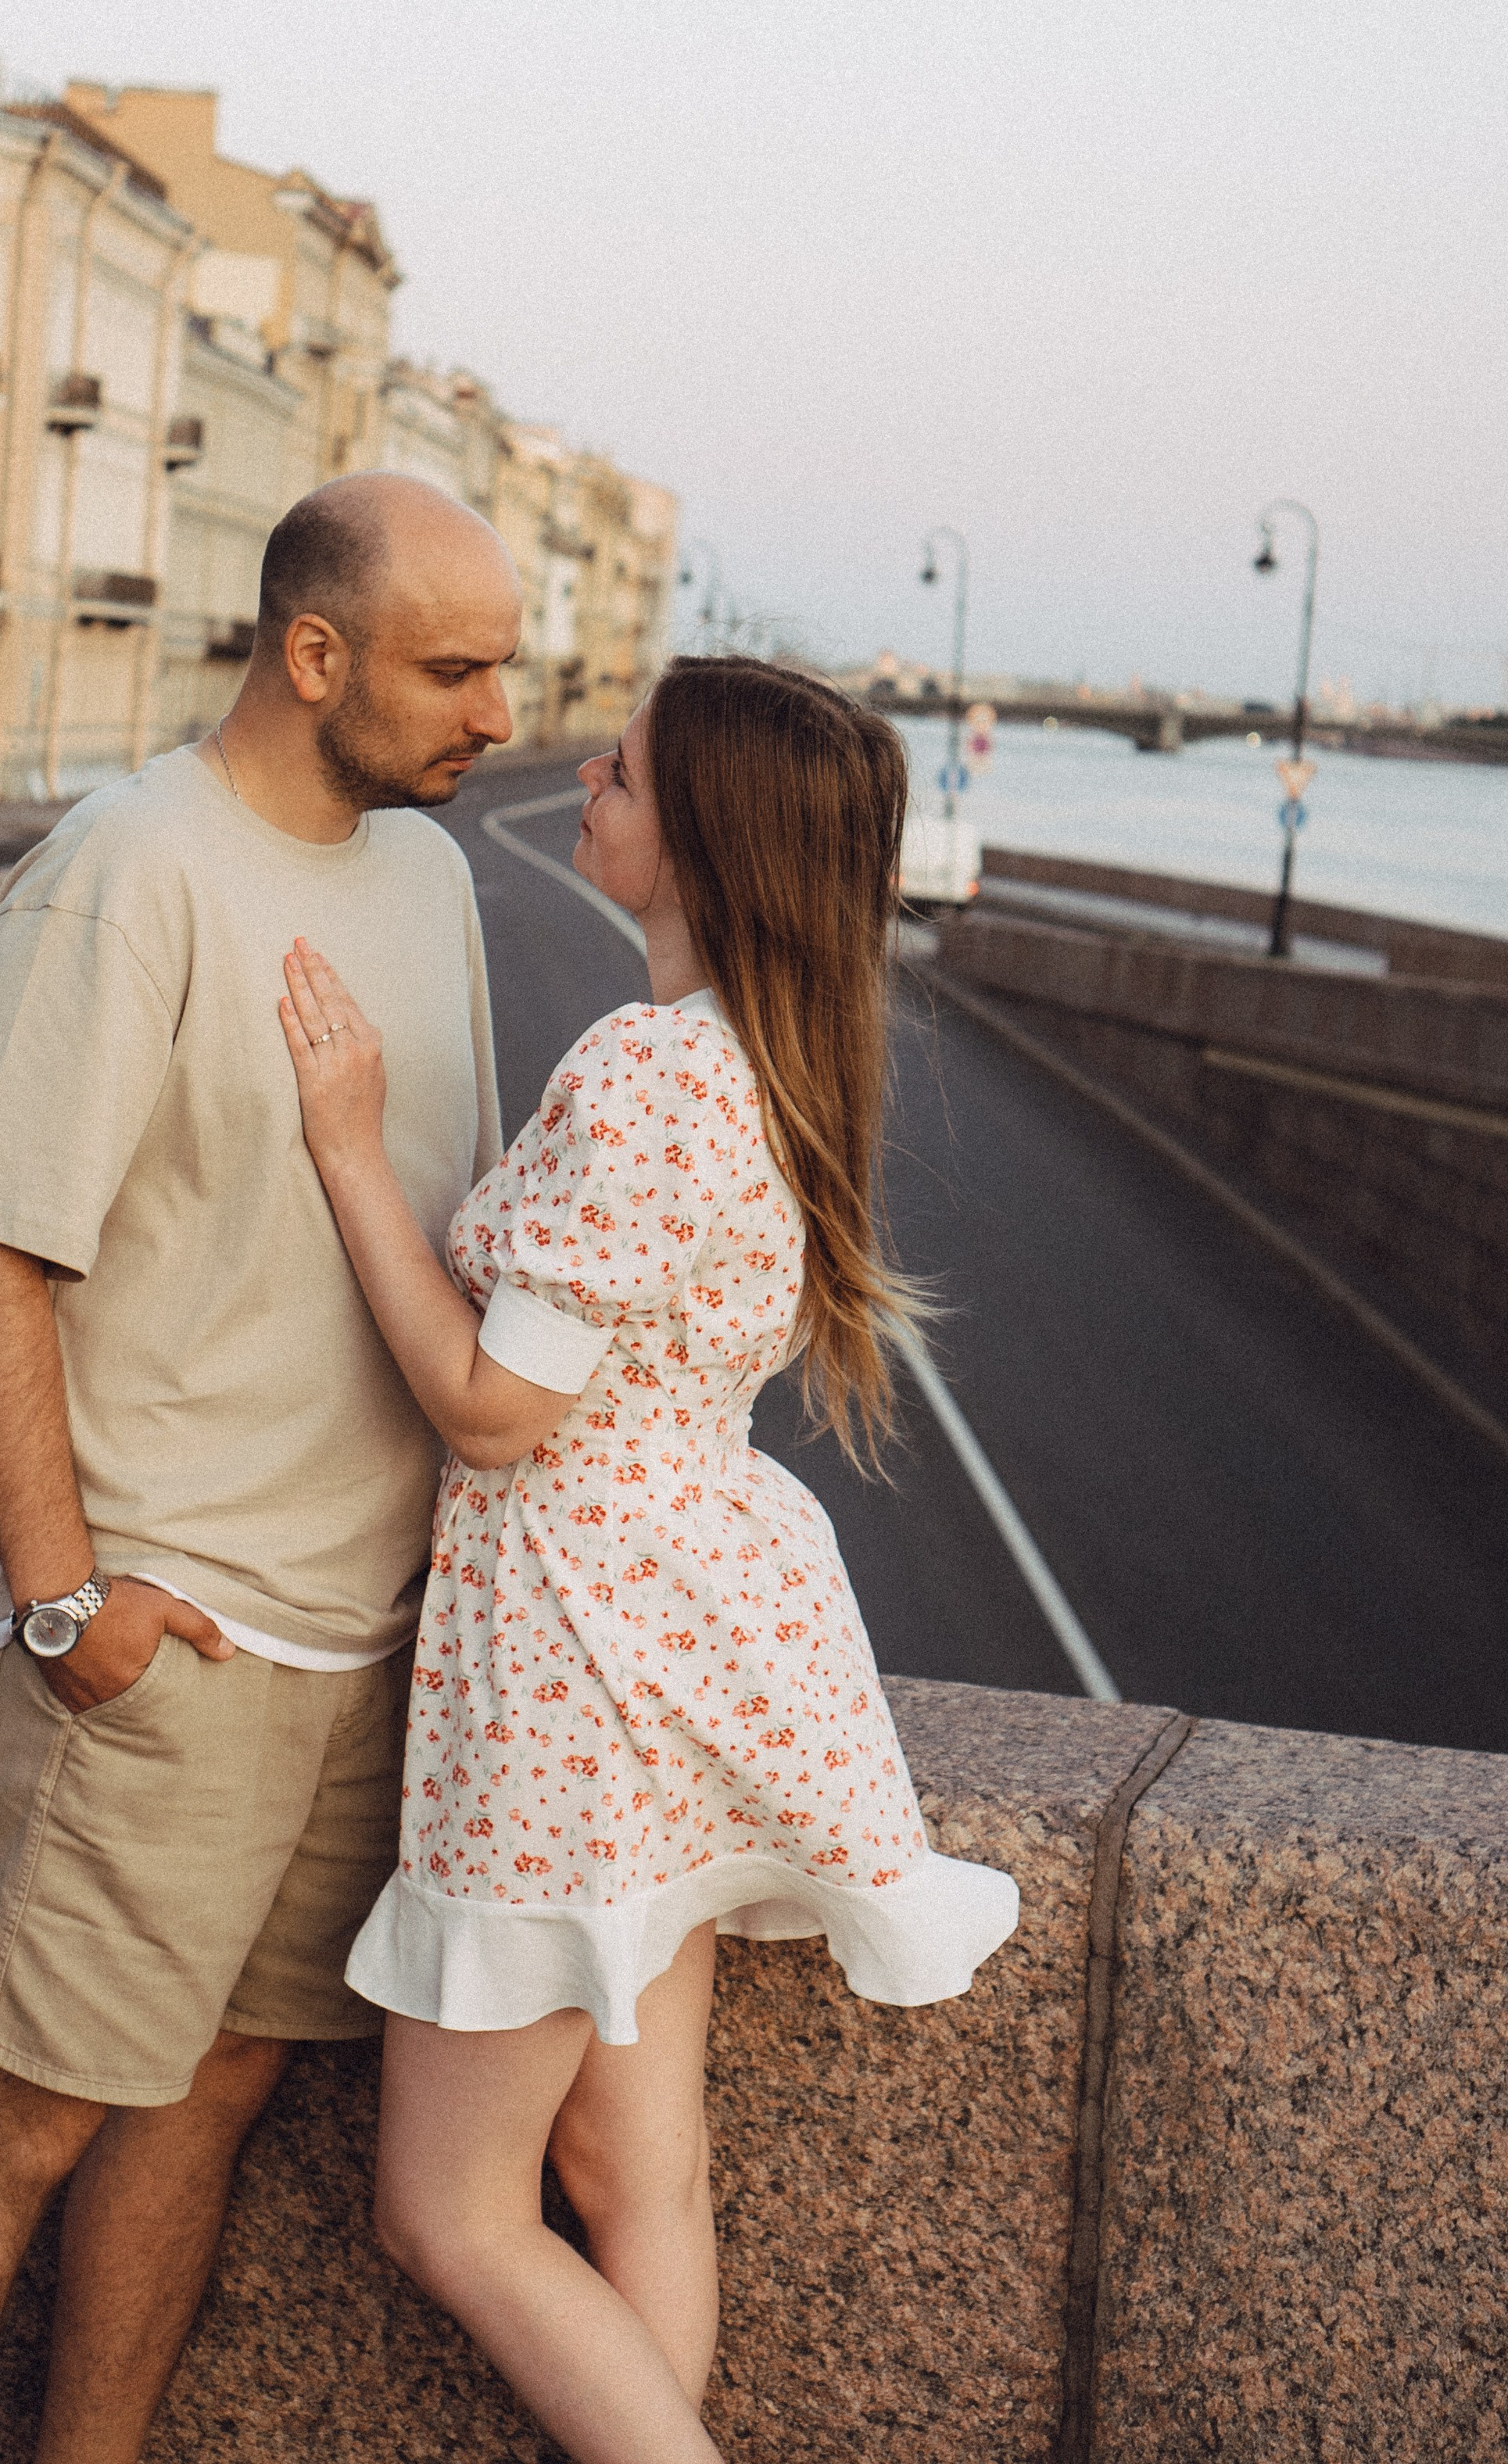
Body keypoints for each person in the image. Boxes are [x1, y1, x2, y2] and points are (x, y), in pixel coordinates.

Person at [0, 474, 523, 2464]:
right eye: (452, 669)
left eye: (503, 668)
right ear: (312, 656)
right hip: (173, 1633)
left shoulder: (436, 880)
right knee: (20, 2121)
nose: (494, 714)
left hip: (365, 1639)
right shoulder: (128, 866)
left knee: (215, 2088)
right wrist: (64, 1601)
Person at [275, 654, 1019, 2464]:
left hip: (566, 1669)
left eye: (619, 769)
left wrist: (349, 1149)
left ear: (705, 838)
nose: (585, 777)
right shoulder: (768, 1060)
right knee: (631, 2173)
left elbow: (486, 1410)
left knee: (448, 2213)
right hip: (687, 1652)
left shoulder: (644, 1071)